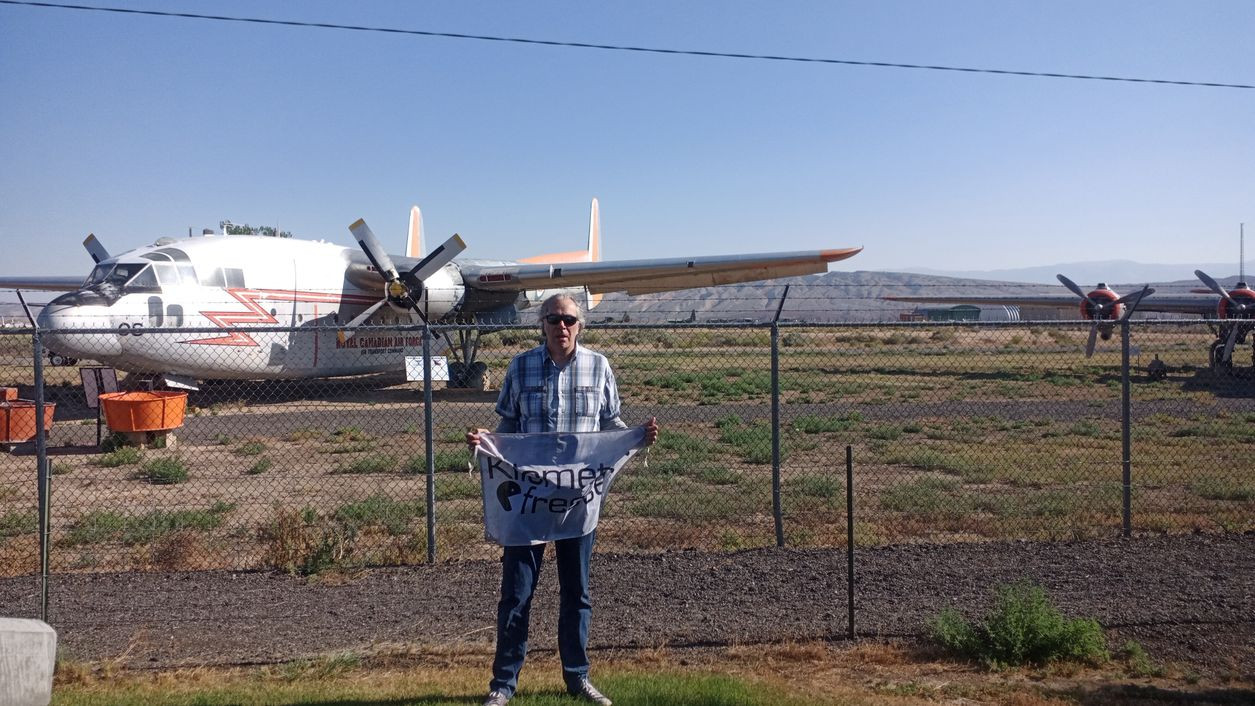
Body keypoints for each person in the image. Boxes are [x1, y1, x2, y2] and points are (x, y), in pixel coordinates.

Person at [467, 293, 658, 706]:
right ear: (543, 324)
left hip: (577, 501)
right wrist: (487, 442)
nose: (562, 326)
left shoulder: (599, 367)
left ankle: (577, 678)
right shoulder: (521, 367)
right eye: (553, 319)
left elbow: (610, 425)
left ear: (580, 324)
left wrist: (636, 437)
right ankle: (503, 685)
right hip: (528, 501)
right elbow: (508, 426)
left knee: (577, 592)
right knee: (516, 593)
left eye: (569, 319)